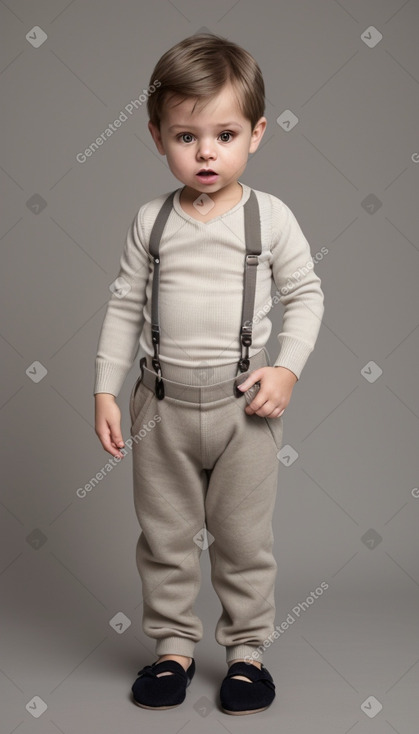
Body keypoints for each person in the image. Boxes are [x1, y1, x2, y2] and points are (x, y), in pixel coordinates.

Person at [94, 32, 325, 715]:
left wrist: (286, 368)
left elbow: (306, 296)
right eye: (185, 135)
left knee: (243, 539)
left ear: (255, 134)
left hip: (241, 410)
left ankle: (247, 654)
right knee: (163, 537)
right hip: (158, 406)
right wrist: (106, 390)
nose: (204, 152)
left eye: (223, 134)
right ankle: (171, 648)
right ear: (156, 135)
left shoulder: (269, 218)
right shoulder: (150, 222)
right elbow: (122, 308)